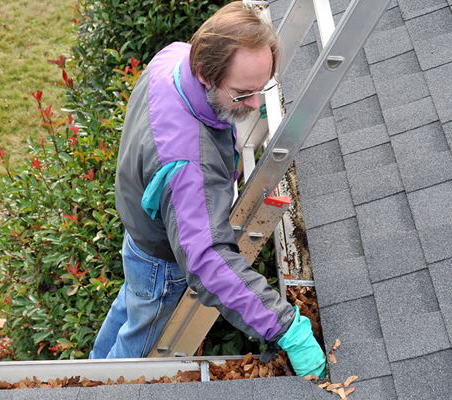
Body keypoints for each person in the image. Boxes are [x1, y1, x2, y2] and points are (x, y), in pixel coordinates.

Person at [89, 1, 326, 378]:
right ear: (205, 74)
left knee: (129, 311)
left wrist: (237, 108)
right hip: (163, 264)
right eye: (242, 94)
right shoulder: (189, 165)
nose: (254, 103)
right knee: (129, 358)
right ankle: (93, 387)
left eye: (260, 89)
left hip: (139, 237)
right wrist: (285, 327)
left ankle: (85, 372)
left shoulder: (173, 58)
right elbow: (206, 261)